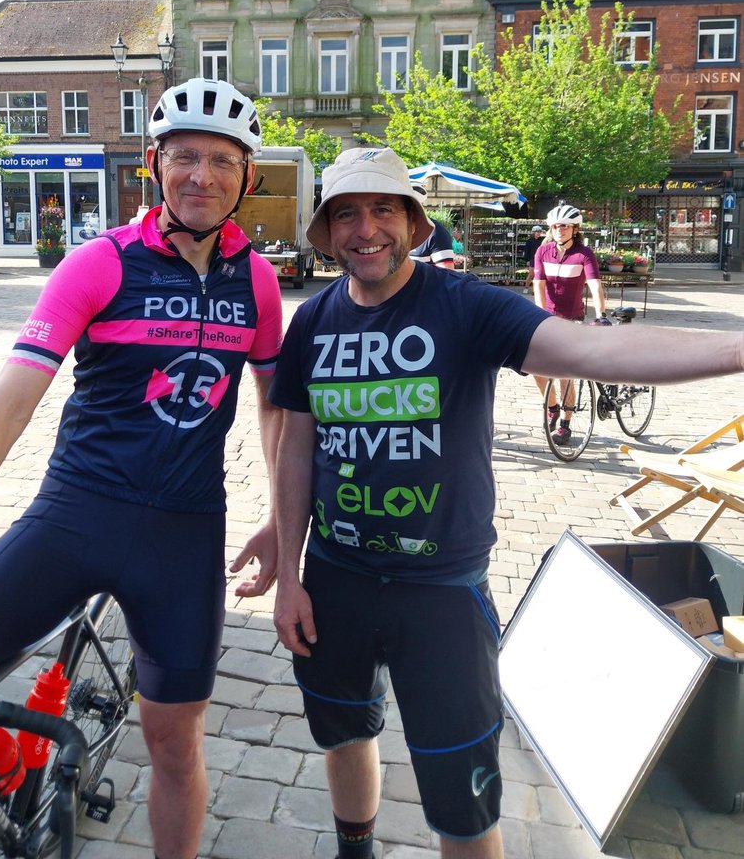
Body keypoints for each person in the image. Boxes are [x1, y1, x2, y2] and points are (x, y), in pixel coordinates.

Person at [0, 77, 284, 859]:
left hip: (184, 537)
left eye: (222, 160)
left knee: (176, 747)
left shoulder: (256, 282)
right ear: (154, 163)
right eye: (184, 155)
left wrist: (285, 521)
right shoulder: (100, 263)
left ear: (248, 176)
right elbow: (8, 402)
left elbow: (275, 406)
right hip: (74, 516)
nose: (202, 176)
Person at [269, 146, 744, 859]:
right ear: (327, 232)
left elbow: (598, 355)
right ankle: (355, 850)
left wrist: (738, 349)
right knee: (345, 731)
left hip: (442, 593)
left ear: (412, 222)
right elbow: (297, 451)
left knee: (463, 797)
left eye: (382, 209)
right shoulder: (311, 324)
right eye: (345, 214)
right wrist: (288, 574)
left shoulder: (465, 306)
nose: (365, 229)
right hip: (336, 580)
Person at [532, 203, 608, 444]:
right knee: (535, 367)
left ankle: (565, 422)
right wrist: (538, 313)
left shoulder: (583, 254)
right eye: (555, 226)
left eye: (564, 226)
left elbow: (595, 285)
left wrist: (601, 314)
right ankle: (552, 405)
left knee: (565, 374)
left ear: (575, 228)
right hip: (548, 318)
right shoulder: (543, 252)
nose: (559, 230)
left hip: (572, 319)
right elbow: (539, 285)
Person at [522, 223, 544, 289]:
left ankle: (535, 290)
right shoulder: (529, 241)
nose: (539, 233)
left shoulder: (542, 240)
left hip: (540, 259)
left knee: (537, 275)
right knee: (531, 274)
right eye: (537, 232)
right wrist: (527, 260)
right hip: (532, 259)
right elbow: (526, 251)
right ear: (534, 232)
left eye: (540, 232)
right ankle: (526, 287)